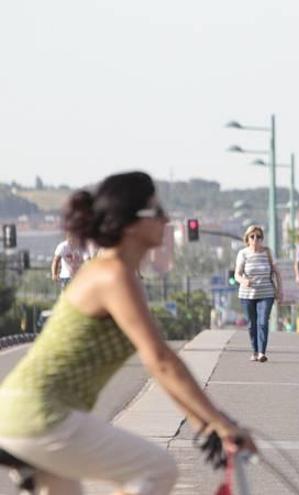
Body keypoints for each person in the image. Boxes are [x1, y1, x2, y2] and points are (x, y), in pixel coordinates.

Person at [0, 172, 255, 495]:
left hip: (22, 415)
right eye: (156, 211)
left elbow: (160, 368)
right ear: (131, 223)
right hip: (42, 416)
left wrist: (203, 422)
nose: (166, 219)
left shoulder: (112, 272)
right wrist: (217, 421)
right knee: (157, 469)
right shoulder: (113, 275)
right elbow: (160, 360)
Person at [235, 225, 281, 363]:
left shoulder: (267, 252)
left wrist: (280, 290)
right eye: (252, 236)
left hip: (266, 293)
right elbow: (237, 274)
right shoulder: (243, 254)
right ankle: (254, 350)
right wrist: (244, 281)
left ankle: (262, 352)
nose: (256, 239)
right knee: (252, 324)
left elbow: (277, 272)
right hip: (247, 295)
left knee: (262, 322)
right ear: (247, 239)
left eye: (259, 237)